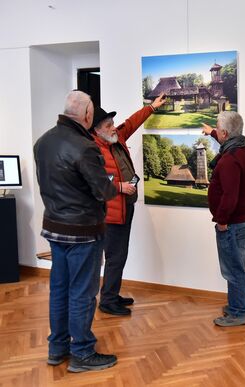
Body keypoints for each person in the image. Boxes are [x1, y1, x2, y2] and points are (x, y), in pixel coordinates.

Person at [34, 90, 118, 373]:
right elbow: (103, 191)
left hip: (55, 227)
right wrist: (108, 182)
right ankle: (82, 352)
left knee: (59, 289)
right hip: (83, 231)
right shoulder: (85, 147)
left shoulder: (43, 142)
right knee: (82, 292)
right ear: (87, 115)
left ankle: (57, 348)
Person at [92, 93, 166, 316]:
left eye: (113, 123)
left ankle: (111, 294)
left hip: (126, 207)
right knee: (115, 256)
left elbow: (132, 122)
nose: (114, 127)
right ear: (97, 130)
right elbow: (94, 180)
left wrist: (152, 107)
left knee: (119, 255)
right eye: (109, 125)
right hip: (111, 213)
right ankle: (107, 301)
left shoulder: (116, 138)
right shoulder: (92, 149)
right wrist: (120, 187)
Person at [202, 112, 245, 327]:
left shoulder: (229, 160)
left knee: (233, 270)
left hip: (232, 224)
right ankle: (239, 303)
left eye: (218, 128)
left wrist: (221, 221)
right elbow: (228, 137)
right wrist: (212, 132)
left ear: (225, 133)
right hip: (244, 221)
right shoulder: (244, 148)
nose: (217, 130)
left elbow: (229, 196)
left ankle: (238, 312)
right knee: (237, 267)